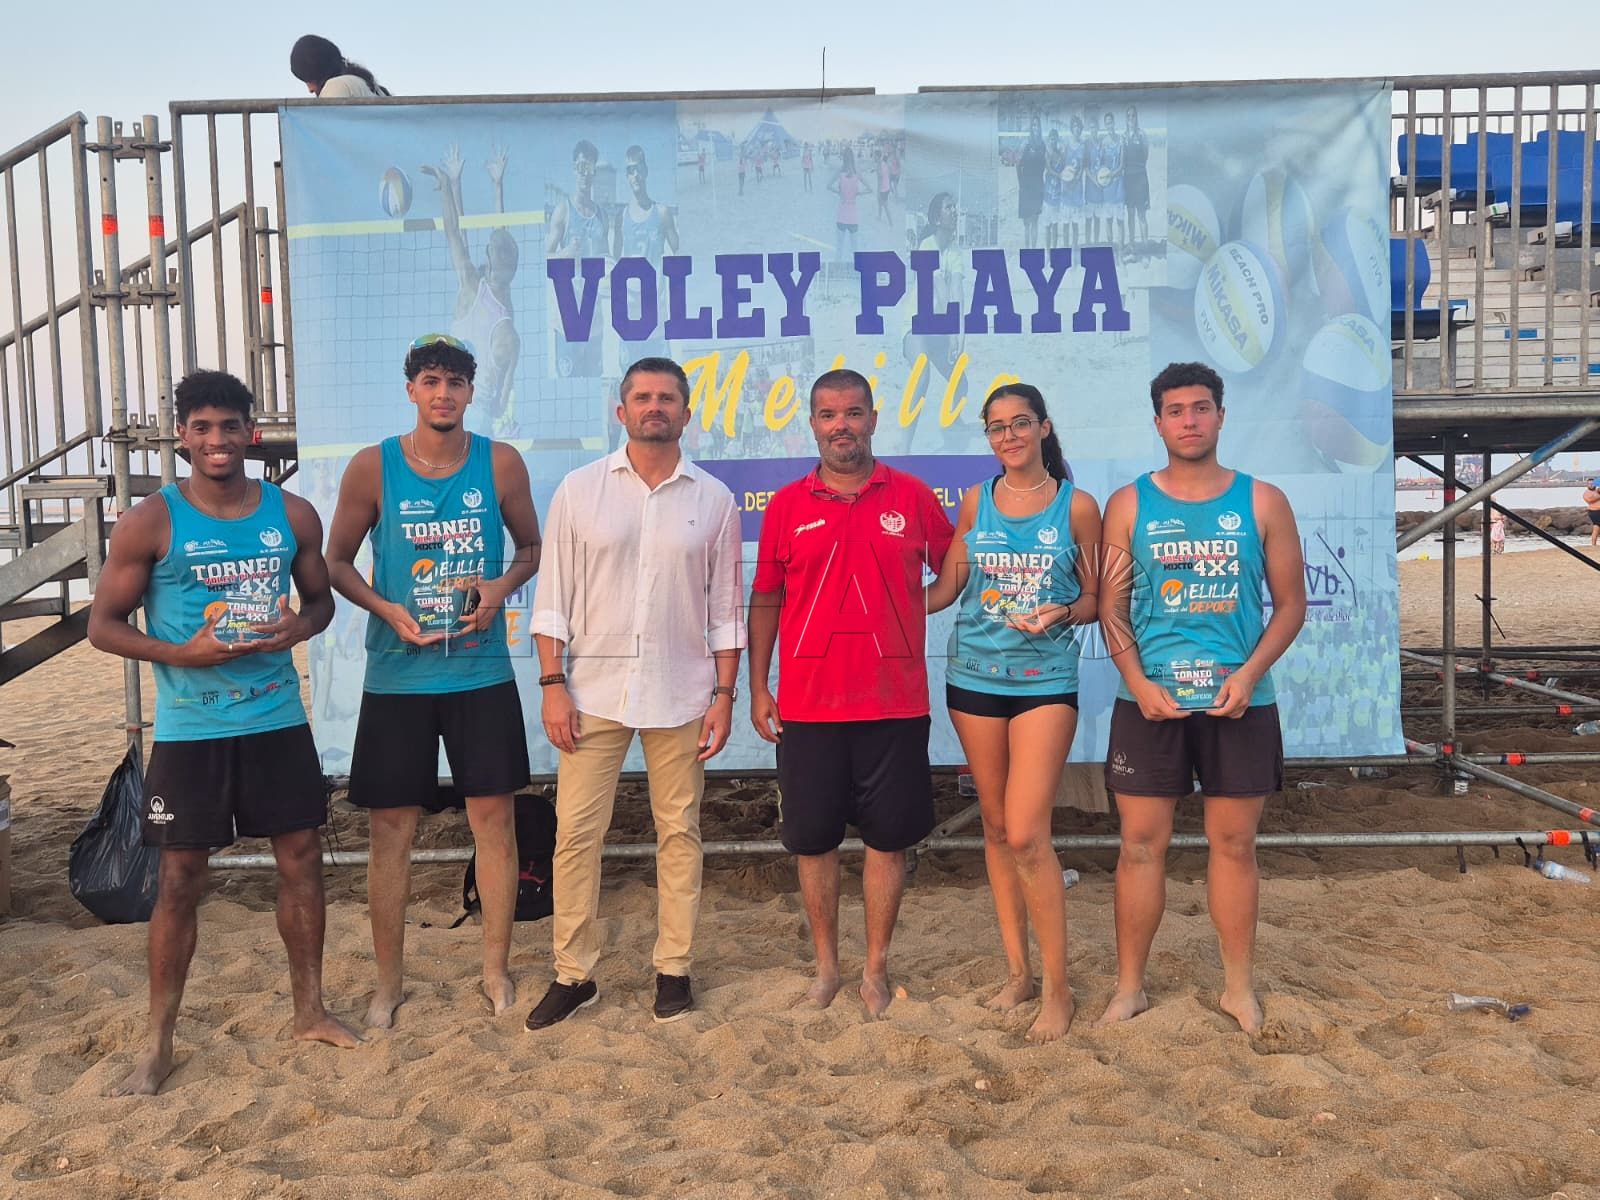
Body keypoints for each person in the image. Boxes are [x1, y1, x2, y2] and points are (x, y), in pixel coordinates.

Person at [87, 370, 359, 1095]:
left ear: (251, 433)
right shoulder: (149, 521)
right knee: (180, 879)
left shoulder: (291, 513)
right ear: (182, 435)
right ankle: (157, 1044)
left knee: (301, 859)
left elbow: (321, 604)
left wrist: (297, 627)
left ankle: (310, 1011)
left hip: (276, 717)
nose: (217, 440)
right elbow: (102, 627)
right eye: (202, 428)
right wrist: (183, 654)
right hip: (191, 728)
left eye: (230, 426)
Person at [325, 333, 542, 1028]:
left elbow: (531, 547)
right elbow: (336, 562)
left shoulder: (500, 463)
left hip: (479, 669)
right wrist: (386, 608)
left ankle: (495, 970)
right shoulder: (374, 466)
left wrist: (500, 588)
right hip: (398, 675)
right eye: (430, 380)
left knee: (494, 822)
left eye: (455, 382)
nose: (443, 393)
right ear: (411, 390)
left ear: (472, 392)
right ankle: (388, 984)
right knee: (391, 831)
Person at [526, 357, 745, 1029]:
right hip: (591, 694)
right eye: (643, 397)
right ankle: (573, 974)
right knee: (575, 836)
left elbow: (725, 612)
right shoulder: (579, 490)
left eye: (667, 398)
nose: (655, 407)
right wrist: (553, 685)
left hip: (682, 694)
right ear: (620, 412)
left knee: (679, 833)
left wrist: (725, 694)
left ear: (686, 413)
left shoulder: (714, 500)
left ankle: (673, 968)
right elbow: (553, 599)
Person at [1097, 361, 1307, 1035]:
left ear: (1221, 415)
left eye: (1201, 407)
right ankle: (1130, 988)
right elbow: (1110, 609)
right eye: (1176, 410)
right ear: (1158, 423)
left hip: (1239, 701)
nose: (1189, 420)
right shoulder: (1128, 505)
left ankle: (1237, 989)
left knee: (1235, 844)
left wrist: (1249, 674)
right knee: (1139, 845)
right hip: (1150, 702)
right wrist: (1138, 684)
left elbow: (1291, 606)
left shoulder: (1263, 501)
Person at [748, 369, 955, 1017]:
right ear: (813, 424)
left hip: (894, 704)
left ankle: (875, 969)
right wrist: (757, 686)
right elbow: (766, 598)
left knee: (888, 842)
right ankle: (826, 970)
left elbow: (954, 571)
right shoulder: (787, 505)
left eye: (854, 413)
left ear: (873, 419)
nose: (843, 425)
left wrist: (908, 610)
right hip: (808, 708)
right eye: (829, 414)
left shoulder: (912, 496)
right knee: (813, 843)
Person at [925, 384, 1101, 1042]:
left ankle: (1059, 990)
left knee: (1028, 833)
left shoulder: (1077, 506)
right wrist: (880, 596)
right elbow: (947, 588)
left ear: (1043, 427)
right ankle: (1019, 974)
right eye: (996, 427)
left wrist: (1064, 611)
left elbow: (1096, 598)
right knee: (997, 830)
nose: (1009, 436)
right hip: (972, 678)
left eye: (1019, 423)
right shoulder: (977, 500)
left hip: (1044, 682)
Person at [421, 143, 520, 437]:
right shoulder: (506, 317)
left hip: (453, 411)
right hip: (479, 418)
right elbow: (499, 243)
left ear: (488, 262)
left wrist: (448, 187)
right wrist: (494, 186)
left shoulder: (471, 287)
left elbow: (456, 232)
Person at [546, 139, 610, 378]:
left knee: (593, 384)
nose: (585, 173)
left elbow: (606, 259)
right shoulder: (563, 210)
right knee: (569, 386)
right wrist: (565, 254)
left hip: (594, 321)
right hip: (567, 322)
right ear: (574, 169)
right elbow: (544, 258)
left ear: (594, 172)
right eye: (581, 166)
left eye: (590, 167)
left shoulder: (602, 216)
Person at [614, 145, 681, 363]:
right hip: (630, 318)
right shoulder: (621, 217)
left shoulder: (661, 213)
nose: (635, 175)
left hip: (657, 317)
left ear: (646, 171)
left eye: (638, 169)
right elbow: (614, 263)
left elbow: (680, 252)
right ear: (626, 176)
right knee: (630, 378)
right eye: (630, 170)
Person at [289, 34, 389, 97]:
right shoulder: (365, 84)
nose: (310, 90)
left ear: (318, 72)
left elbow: (327, 124)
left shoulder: (336, 87)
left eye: (308, 80)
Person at [1123, 105, 1151, 247]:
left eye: (1133, 115)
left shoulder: (1142, 135)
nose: (1131, 118)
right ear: (1126, 118)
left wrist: (1137, 168)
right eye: (1128, 116)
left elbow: (1145, 156)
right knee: (1130, 214)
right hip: (1128, 179)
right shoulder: (1123, 137)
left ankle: (1145, 246)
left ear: (1136, 117)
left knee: (1141, 214)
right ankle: (1132, 244)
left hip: (1140, 178)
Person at [1017, 114, 1046, 247]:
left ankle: (1033, 251)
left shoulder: (1043, 145)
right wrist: (1021, 184)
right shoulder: (1025, 144)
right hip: (1026, 187)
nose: (1036, 128)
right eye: (1033, 125)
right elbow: (1018, 165)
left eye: (1038, 125)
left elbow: (1044, 165)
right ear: (1031, 127)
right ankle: (1027, 250)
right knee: (1027, 223)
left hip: (1038, 186)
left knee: (1035, 221)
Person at [1585, 478, 1600, 548]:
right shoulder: (1586, 493)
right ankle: (1593, 544)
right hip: (1594, 512)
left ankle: (1594, 544)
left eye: (1592, 484)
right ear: (1587, 485)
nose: (1591, 485)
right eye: (1590, 484)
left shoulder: (1597, 490)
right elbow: (1590, 500)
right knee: (1596, 527)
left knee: (1597, 528)